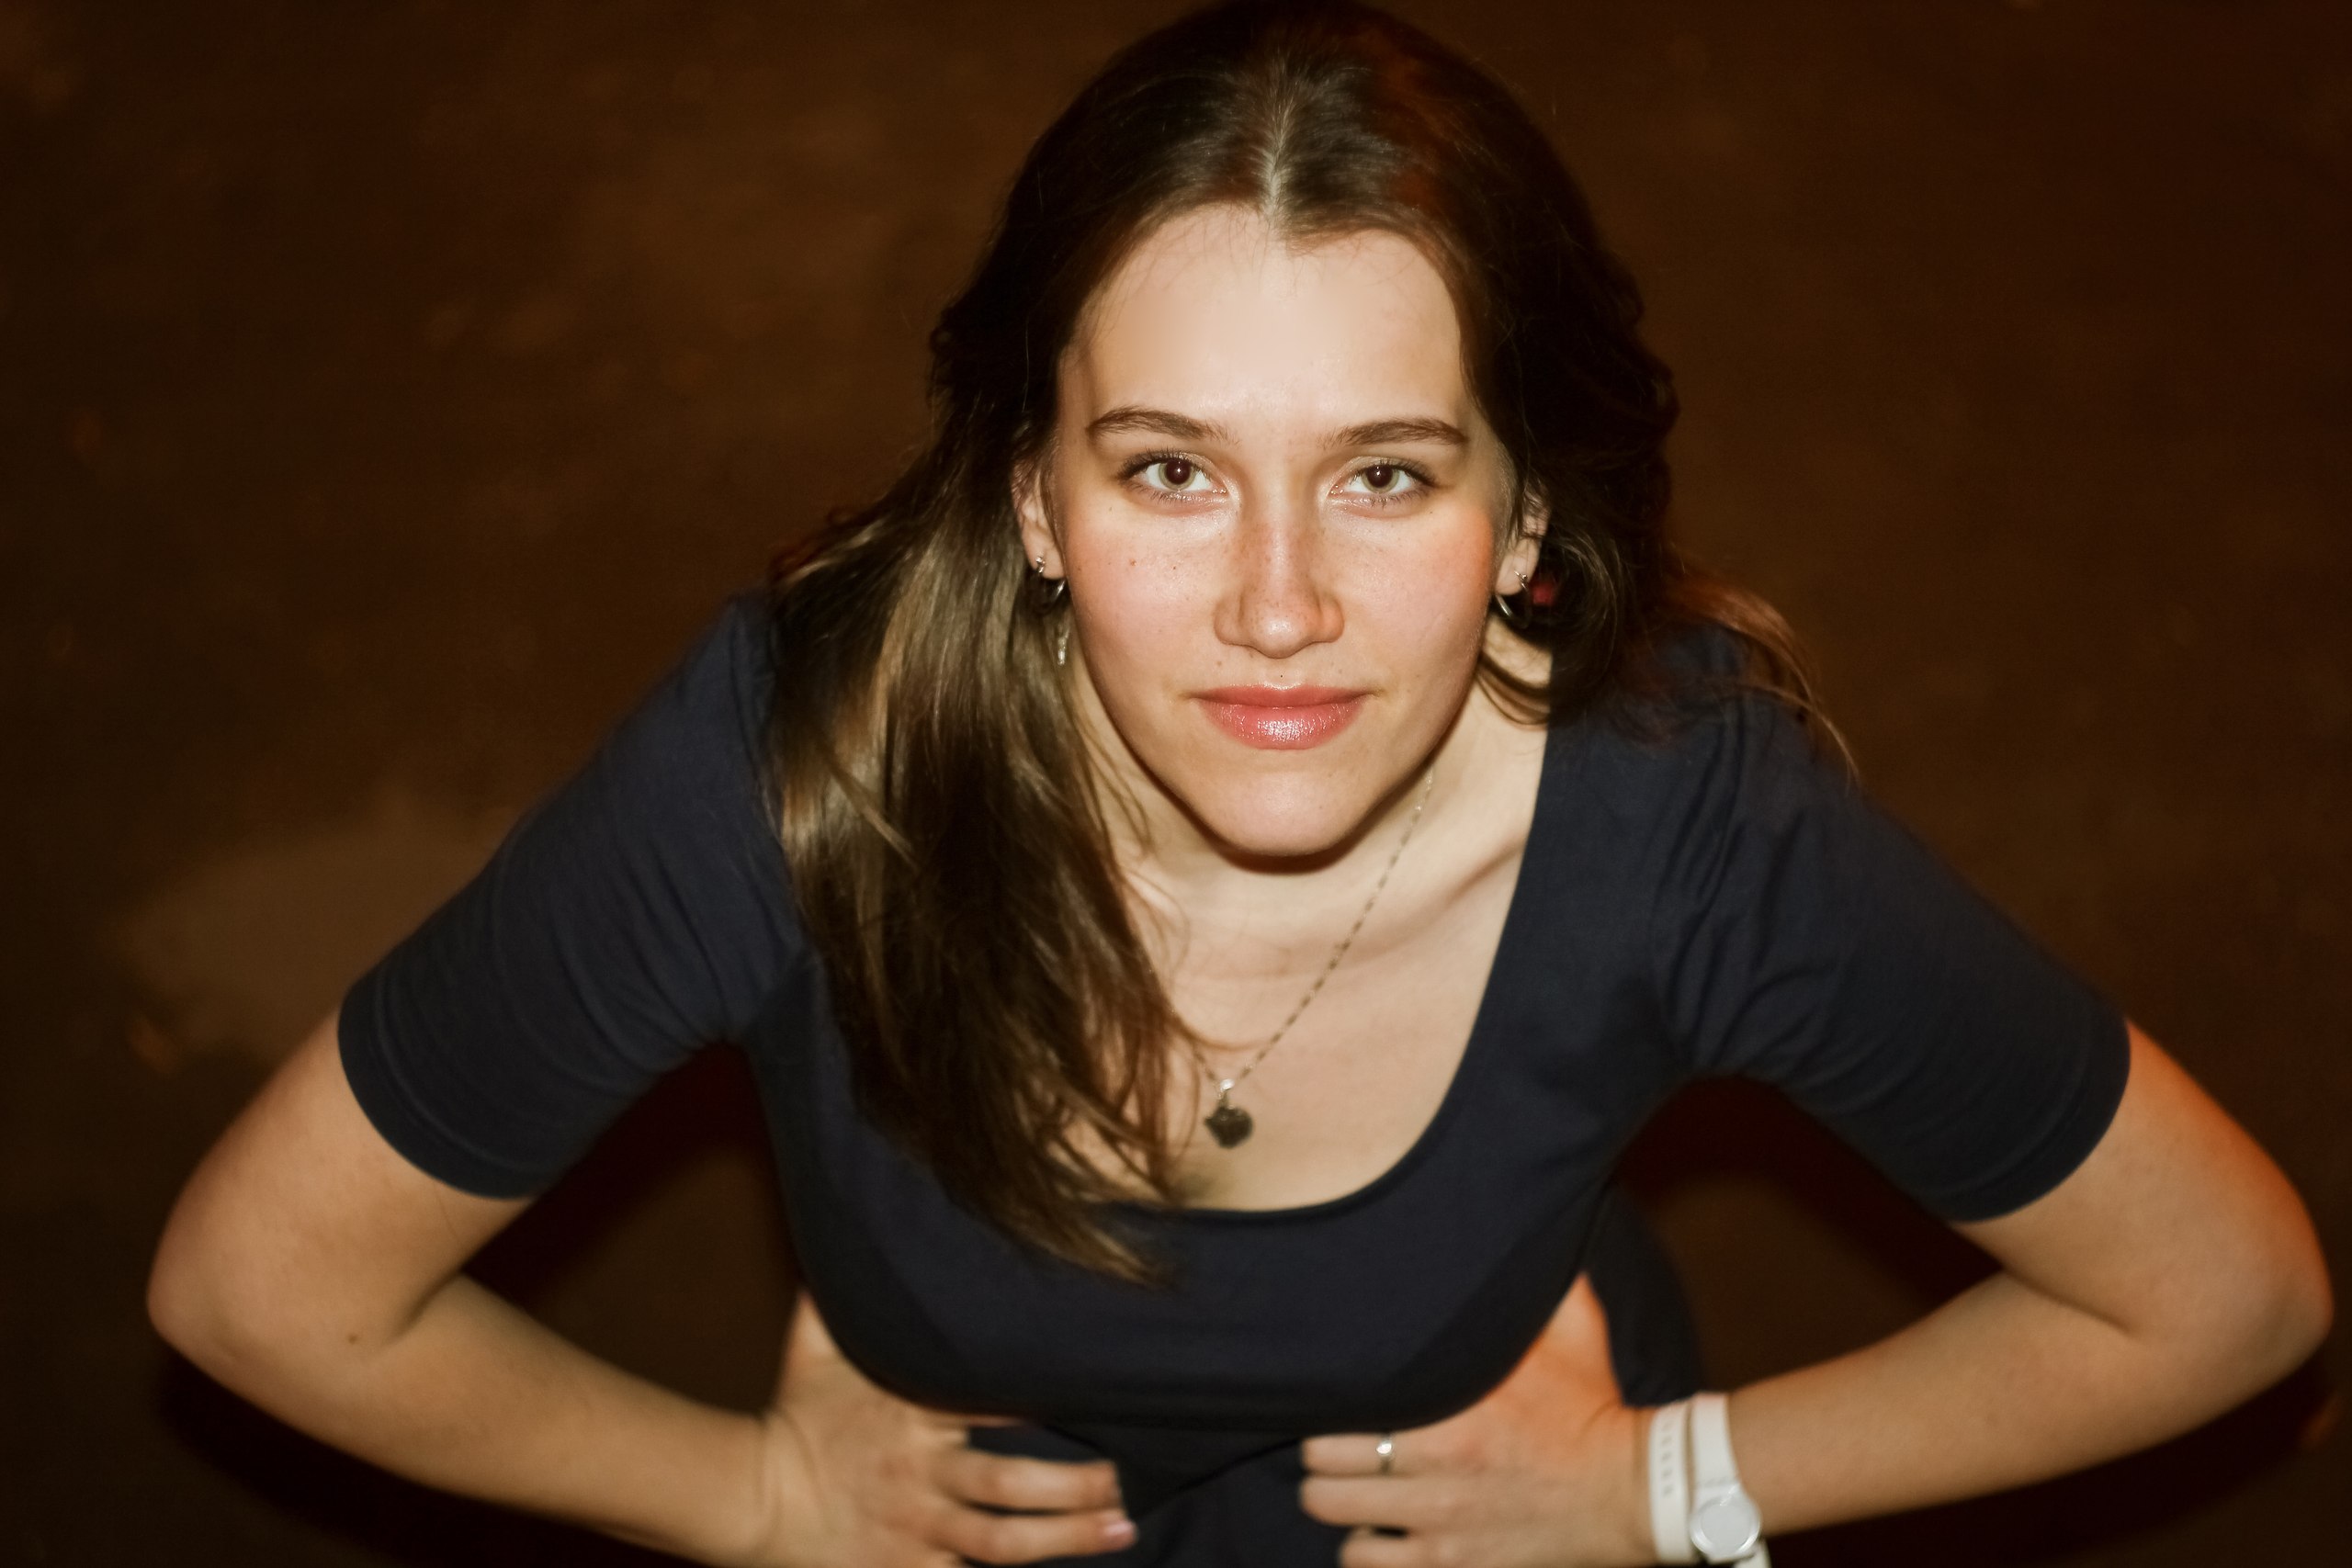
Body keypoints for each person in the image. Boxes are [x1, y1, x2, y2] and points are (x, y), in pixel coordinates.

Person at [148, 3, 2331, 1564]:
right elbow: (261, 1288)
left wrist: (1656, 1489)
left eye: (1382, 474)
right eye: (1168, 471)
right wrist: (751, 1493)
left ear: (1525, 515)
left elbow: (2222, 1293)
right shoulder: (798, 761)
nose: (1276, 607)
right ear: (1027, 496)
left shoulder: (1683, 820)